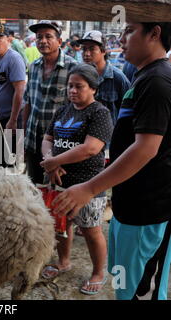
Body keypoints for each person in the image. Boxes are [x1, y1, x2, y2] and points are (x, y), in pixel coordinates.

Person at [53, 22, 171, 300]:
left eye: (130, 30)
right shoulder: (144, 77)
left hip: (148, 209)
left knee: (140, 290)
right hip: (129, 204)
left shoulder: (158, 81)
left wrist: (89, 188)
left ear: (154, 33)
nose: (121, 38)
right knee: (123, 285)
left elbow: (146, 149)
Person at [39, 64, 113, 295]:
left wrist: (55, 161)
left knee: (91, 229)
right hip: (59, 180)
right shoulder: (64, 110)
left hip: (87, 185)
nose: (72, 90)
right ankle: (63, 261)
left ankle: (98, 272)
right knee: (61, 226)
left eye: (79, 87)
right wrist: (51, 161)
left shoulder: (100, 113)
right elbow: (48, 138)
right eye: (70, 86)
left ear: (93, 89)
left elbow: (91, 148)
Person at [23, 20, 78, 184]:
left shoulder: (72, 67)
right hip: (33, 139)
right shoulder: (33, 67)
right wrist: (24, 134)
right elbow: (28, 103)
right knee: (33, 189)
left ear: (59, 41)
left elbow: (78, 109)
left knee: (56, 191)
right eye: (39, 37)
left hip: (59, 143)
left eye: (48, 36)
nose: (43, 41)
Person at [0, 25, 26, 166]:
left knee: (9, 164)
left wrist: (13, 120)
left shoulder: (14, 58)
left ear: (8, 39)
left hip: (8, 120)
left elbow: (20, 90)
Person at [78, 30, 130, 125]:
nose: (87, 53)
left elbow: (128, 114)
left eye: (92, 49)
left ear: (103, 51)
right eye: (84, 49)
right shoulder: (78, 76)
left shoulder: (118, 78)